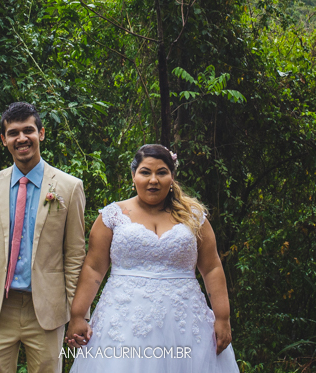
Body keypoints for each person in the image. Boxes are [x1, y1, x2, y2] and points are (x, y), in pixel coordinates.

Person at [64, 144, 240, 373]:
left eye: (162, 172)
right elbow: (93, 269)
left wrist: (222, 317)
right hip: (123, 323)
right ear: (134, 175)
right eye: (146, 172)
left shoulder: (194, 217)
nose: (153, 180)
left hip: (185, 323)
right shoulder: (112, 216)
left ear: (172, 177)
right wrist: (78, 315)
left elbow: (212, 268)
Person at [0, 102, 86, 373]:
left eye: (28, 130)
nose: (21, 138)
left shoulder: (69, 187)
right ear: (4, 139)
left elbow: (75, 256)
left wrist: (79, 316)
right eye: (13, 133)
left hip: (47, 311)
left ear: (41, 133)